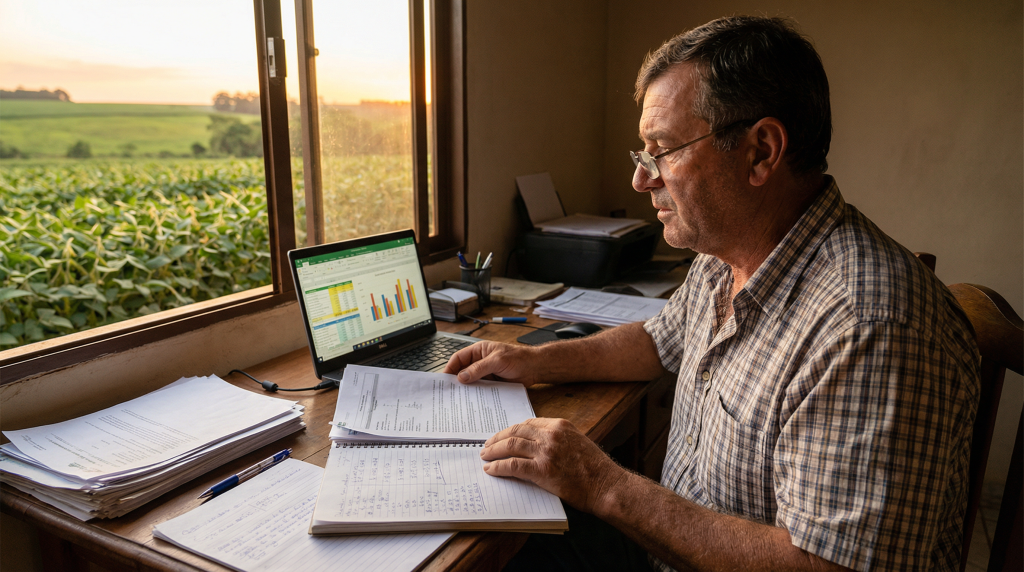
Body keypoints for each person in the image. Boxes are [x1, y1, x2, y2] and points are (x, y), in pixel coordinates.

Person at [444, 15, 980, 572]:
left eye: (663, 150)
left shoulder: (869, 327)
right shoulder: (724, 256)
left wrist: (601, 482)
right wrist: (533, 359)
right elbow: (657, 341)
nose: (641, 179)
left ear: (761, 152)